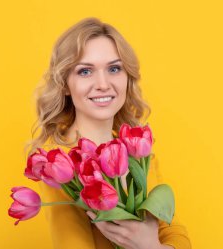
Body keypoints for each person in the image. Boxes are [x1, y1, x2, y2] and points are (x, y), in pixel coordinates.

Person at [25, 17, 192, 249]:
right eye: (85, 71)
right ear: (64, 84)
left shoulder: (138, 152)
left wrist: (148, 246)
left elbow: (175, 232)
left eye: (114, 69)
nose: (103, 84)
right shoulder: (58, 166)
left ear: (127, 77)